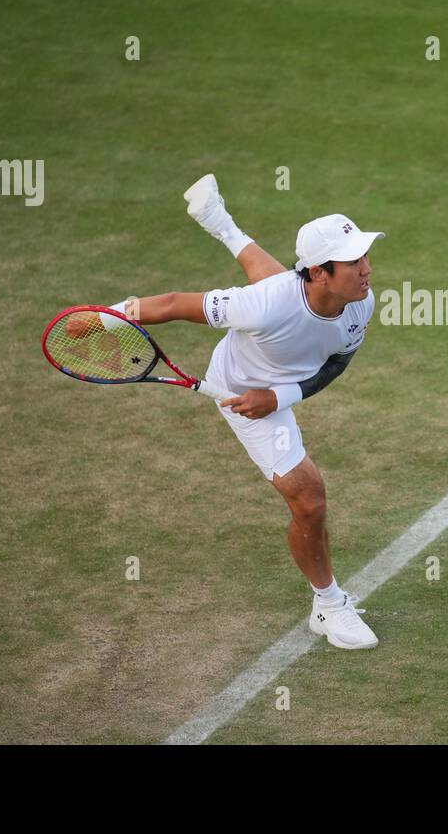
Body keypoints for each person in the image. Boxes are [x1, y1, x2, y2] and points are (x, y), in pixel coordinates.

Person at [105, 174, 384, 649]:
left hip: (276, 386)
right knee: (310, 500)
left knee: (278, 291)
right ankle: (329, 605)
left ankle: (217, 218)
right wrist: (101, 318)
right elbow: (174, 304)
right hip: (241, 387)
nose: (367, 269)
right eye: (353, 261)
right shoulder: (261, 306)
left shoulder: (358, 302)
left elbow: (338, 360)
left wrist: (284, 396)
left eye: (364, 255)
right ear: (319, 271)